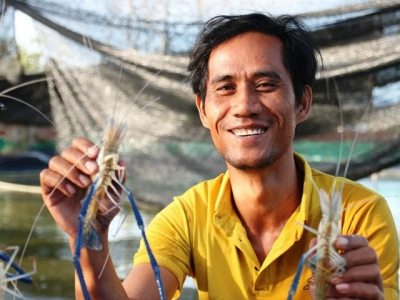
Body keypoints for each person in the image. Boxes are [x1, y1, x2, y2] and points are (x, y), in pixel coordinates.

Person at [40, 13, 399, 300]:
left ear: (303, 102)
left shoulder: (360, 215)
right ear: (202, 110)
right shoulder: (185, 217)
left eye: (266, 85)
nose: (244, 106)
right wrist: (87, 234)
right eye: (225, 88)